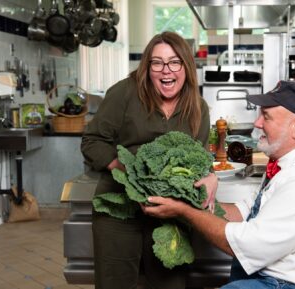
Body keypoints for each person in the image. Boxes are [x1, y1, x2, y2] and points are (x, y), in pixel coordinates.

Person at [143, 81, 295, 289]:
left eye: (266, 117)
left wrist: (184, 211)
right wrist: (196, 199)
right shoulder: (291, 162)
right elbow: (248, 210)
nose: (257, 123)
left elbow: (242, 245)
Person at [81, 31, 217, 289]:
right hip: (119, 209)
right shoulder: (124, 93)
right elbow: (92, 141)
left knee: (171, 284)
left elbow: (199, 160)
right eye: (157, 62)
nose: (166, 70)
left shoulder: (198, 108)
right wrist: (127, 172)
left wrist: (211, 177)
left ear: (186, 66)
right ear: (148, 67)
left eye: (174, 61)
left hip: (171, 215)